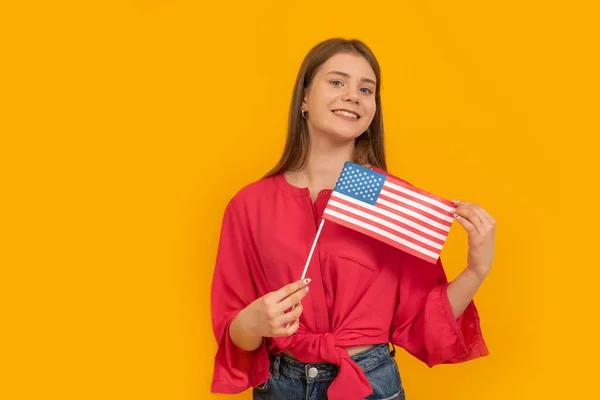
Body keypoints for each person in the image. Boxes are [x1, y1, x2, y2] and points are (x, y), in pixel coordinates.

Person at [210, 38, 495, 400]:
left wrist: (476, 270)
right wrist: (251, 322)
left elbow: (423, 322)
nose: (353, 96)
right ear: (303, 100)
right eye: (337, 82)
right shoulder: (249, 204)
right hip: (280, 386)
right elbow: (234, 331)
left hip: (369, 383)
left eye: (366, 89)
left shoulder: (387, 200)